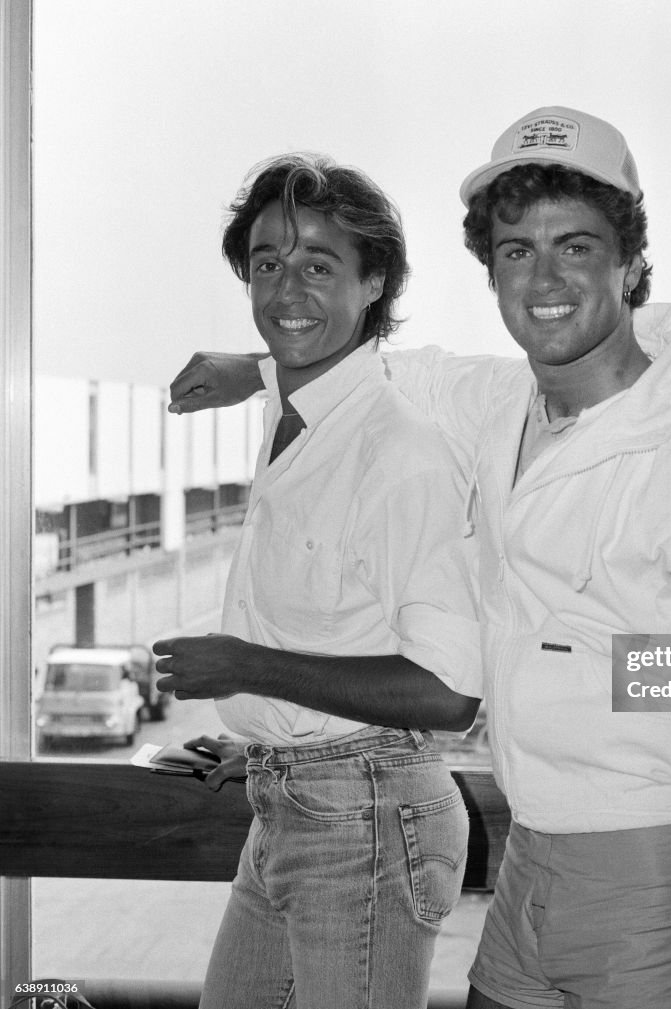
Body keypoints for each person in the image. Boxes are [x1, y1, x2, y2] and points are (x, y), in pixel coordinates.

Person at [168, 107, 671, 1009]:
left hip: (646, 863)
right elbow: (390, 365)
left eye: (576, 246)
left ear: (629, 262)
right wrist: (256, 365)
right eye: (516, 251)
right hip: (526, 859)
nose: (543, 278)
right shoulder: (504, 405)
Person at [153, 153, 482, 1009]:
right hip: (292, 800)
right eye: (268, 264)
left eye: (319, 265)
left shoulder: (401, 453)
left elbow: (451, 694)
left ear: (373, 282)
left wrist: (245, 668)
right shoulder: (291, 413)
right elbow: (343, 626)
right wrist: (270, 734)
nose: (286, 289)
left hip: (365, 822)